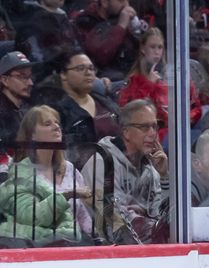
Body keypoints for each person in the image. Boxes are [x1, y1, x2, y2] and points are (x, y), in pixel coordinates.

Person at [83, 99, 167, 243]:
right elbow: (113, 222)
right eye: (144, 127)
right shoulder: (102, 162)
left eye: (155, 126)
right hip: (102, 250)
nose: (153, 134)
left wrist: (164, 177)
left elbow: (161, 217)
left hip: (143, 246)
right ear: (126, 132)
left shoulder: (151, 169)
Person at [14, 105, 94, 236]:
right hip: (39, 247)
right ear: (32, 135)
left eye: (57, 123)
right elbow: (31, 219)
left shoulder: (69, 168)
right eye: (47, 124)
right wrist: (67, 194)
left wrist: (96, 242)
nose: (57, 127)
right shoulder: (20, 173)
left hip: (76, 244)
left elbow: (83, 215)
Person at [56, 52, 121, 145]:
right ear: (63, 74)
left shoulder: (104, 101)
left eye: (91, 68)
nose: (88, 73)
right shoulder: (58, 110)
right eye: (81, 68)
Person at [72, 0, 142, 81]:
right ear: (104, 2)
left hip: (126, 74)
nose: (126, 5)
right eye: (121, 1)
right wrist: (121, 26)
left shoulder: (120, 16)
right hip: (98, 78)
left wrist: (135, 30)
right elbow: (99, 57)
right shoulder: (86, 21)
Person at [0, 51, 35, 144]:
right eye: (22, 77)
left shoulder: (30, 108)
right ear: (5, 80)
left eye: (30, 76)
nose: (30, 83)